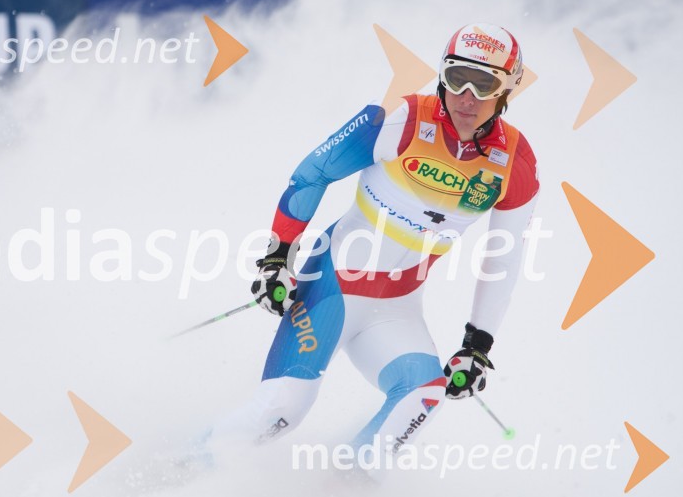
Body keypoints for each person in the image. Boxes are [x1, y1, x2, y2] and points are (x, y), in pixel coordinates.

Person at [210, 23, 539, 464]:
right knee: (283, 409)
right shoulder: (405, 120)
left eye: (484, 84)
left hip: (396, 307)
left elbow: (505, 255)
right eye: (456, 77)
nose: (466, 96)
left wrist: (477, 346)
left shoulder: (515, 161)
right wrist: (277, 258)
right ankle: (176, 470)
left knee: (423, 395)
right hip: (331, 286)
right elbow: (313, 173)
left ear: (507, 91)